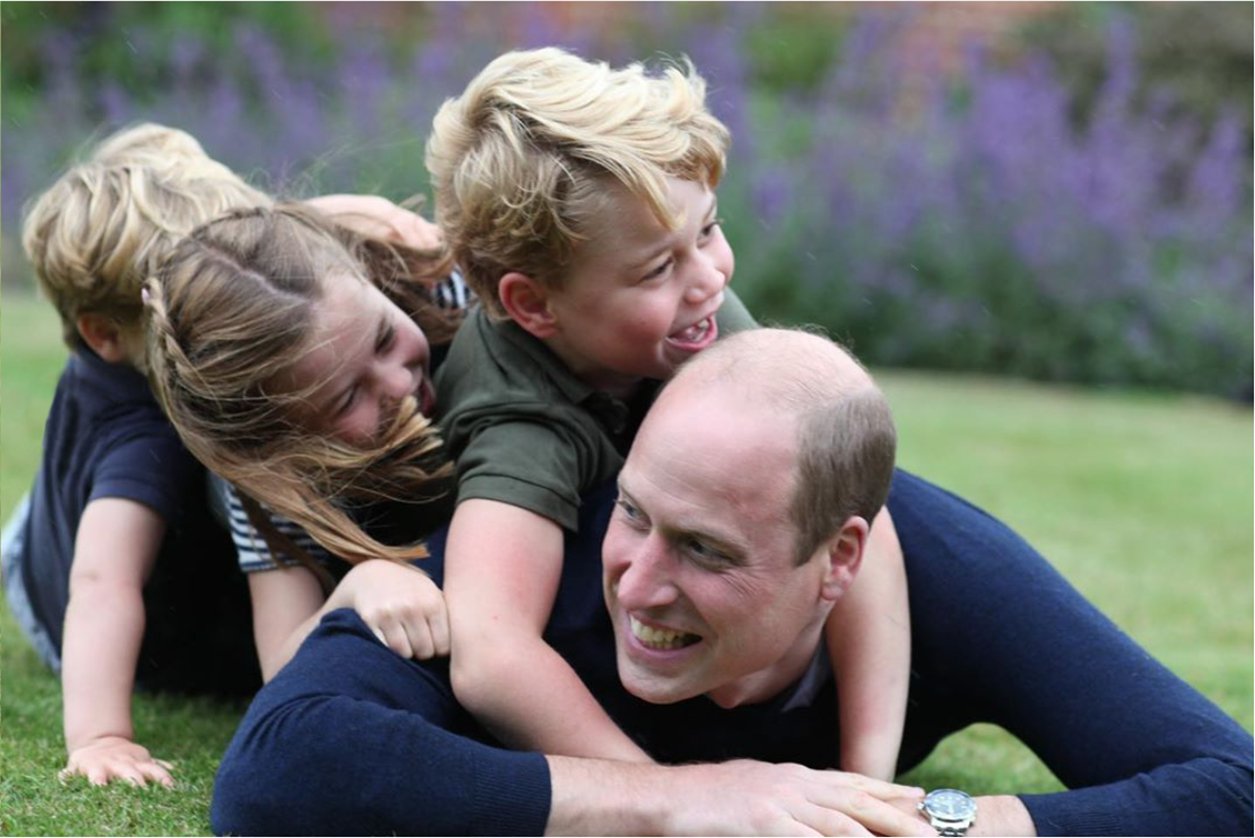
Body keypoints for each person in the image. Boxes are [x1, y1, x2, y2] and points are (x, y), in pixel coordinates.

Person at [209, 328, 1254, 835]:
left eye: (705, 550)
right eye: (636, 513)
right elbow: (274, 775)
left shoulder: (939, 568)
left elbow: (1228, 785)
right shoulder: (531, 559)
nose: (640, 583)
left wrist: (921, 823)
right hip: (201, 569)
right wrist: (677, 805)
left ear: (839, 559)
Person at [424, 46, 910, 777]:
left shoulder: (689, 306)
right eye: (658, 268)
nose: (709, 277)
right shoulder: (518, 418)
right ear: (533, 304)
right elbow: (491, 656)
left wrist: (866, 780)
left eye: (708, 229)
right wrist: (669, 802)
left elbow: (860, 515)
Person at [1, 123, 270, 789]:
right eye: (200, 307)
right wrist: (101, 736)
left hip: (60, 516)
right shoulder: (144, 429)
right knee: (111, 513)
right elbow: (100, 586)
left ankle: (46, 511)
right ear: (107, 332)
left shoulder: (133, 349)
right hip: (55, 598)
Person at [144, 201, 469, 681]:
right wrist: (357, 586)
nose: (399, 385)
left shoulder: (446, 291)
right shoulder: (273, 479)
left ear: (366, 274)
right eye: (347, 398)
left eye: (382, 338)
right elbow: (280, 664)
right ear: (280, 440)